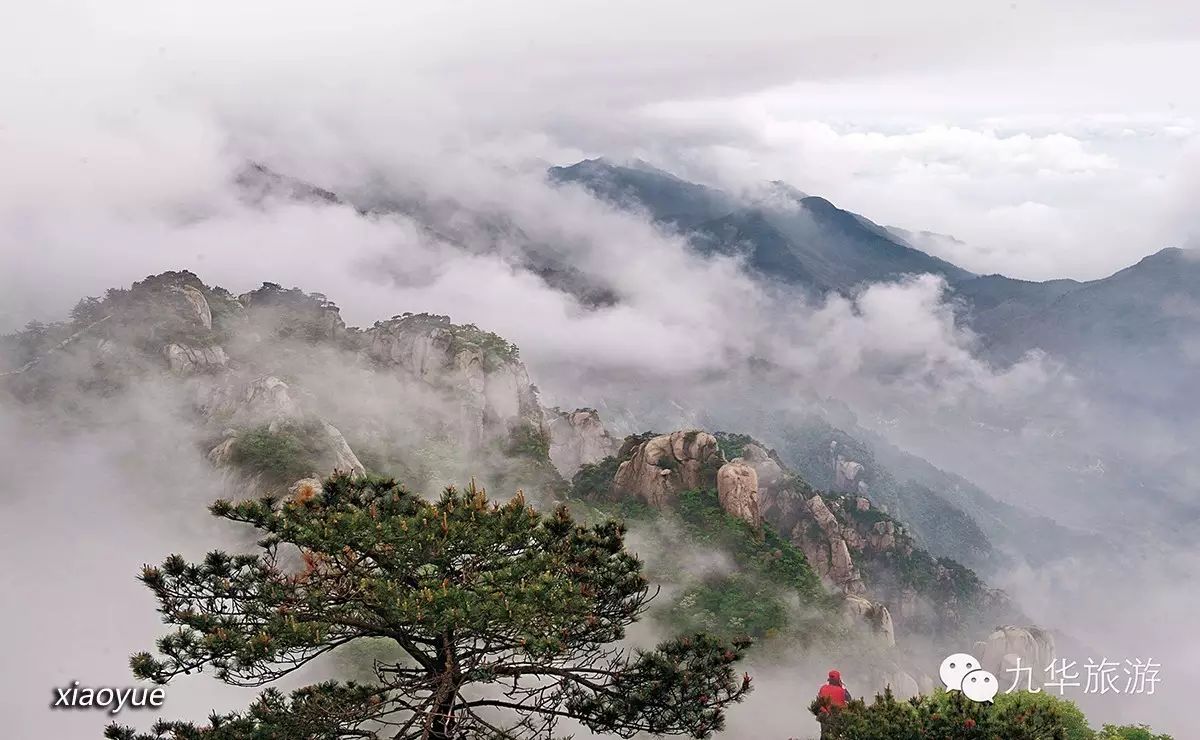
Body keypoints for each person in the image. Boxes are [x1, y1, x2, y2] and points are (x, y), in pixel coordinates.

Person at [815, 669, 852, 738]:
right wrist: (843, 687)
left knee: (824, 735)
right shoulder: (842, 690)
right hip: (836, 715)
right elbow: (849, 699)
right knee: (835, 735)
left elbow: (818, 699)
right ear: (838, 680)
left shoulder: (823, 688)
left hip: (824, 715)